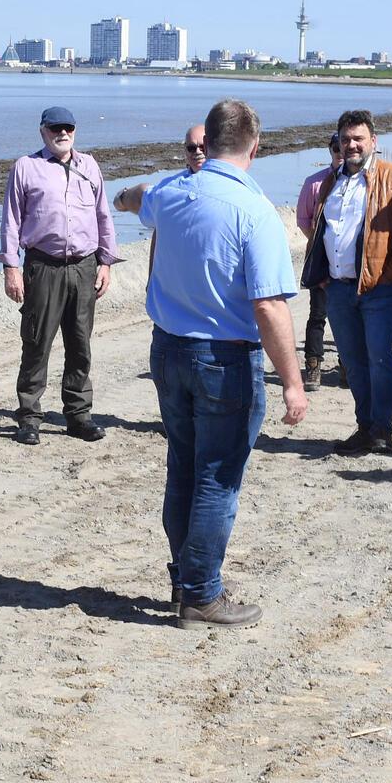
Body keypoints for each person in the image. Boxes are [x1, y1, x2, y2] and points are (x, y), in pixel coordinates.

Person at [135, 98, 307, 629]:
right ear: (255, 148)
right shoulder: (253, 210)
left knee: (184, 467)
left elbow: (134, 197)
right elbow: (269, 304)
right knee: (216, 478)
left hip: (169, 350)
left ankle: (186, 578)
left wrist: (121, 195)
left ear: (205, 144)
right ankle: (201, 594)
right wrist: (293, 383)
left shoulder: (170, 192)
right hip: (223, 358)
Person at [302, 110, 392, 456]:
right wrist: (323, 276)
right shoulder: (332, 181)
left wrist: (389, 274)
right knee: (353, 361)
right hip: (338, 287)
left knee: (380, 359)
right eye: (346, 139)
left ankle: (382, 430)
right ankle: (364, 425)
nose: (352, 145)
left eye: (359, 139)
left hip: (377, 288)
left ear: (374, 141)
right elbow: (322, 229)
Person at [0, 105, 120, 445]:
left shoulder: (89, 166)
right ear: (43, 132)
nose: (62, 134)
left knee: (80, 345)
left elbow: (103, 217)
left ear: (75, 132)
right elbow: (11, 221)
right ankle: (29, 418)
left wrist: (106, 262)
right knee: (36, 344)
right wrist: (11, 267)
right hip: (43, 267)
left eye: (67, 128)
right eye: (55, 129)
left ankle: (79, 416)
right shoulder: (26, 167)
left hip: (84, 267)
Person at [293, 135, 343, 390]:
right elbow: (303, 221)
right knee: (318, 314)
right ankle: (313, 366)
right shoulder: (314, 182)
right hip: (321, 259)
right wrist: (320, 248)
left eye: (343, 147)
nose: (340, 152)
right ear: (330, 150)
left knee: (348, 315)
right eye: (336, 148)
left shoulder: (359, 180)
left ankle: (347, 364)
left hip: (348, 261)